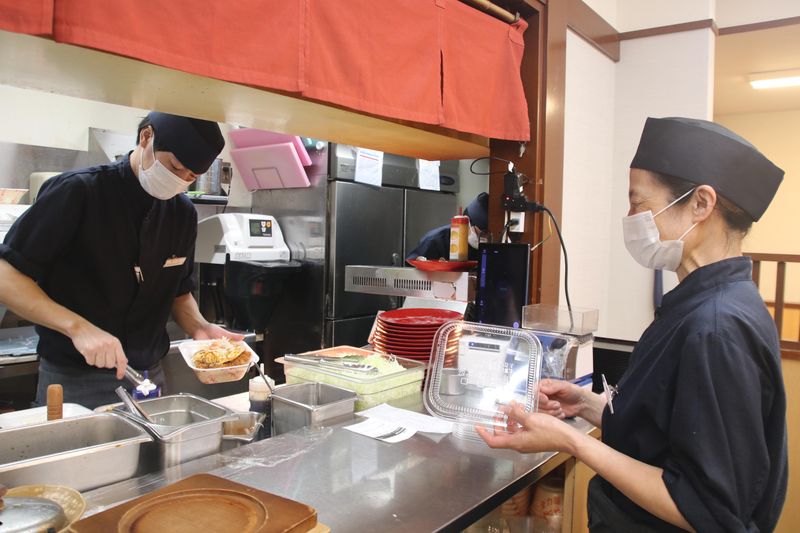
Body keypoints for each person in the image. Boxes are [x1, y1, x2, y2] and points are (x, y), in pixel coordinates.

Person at [477, 117, 788, 532]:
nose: (630, 217)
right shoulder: (701, 303)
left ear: (701, 204)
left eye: (638, 203)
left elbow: (708, 510)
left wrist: (569, 440)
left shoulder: (717, 328)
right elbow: (669, 435)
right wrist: (586, 405)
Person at [0, 111, 243, 409]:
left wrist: (200, 327)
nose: (179, 181)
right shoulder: (79, 191)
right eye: (174, 167)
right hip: (76, 380)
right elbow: (6, 275)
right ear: (146, 137)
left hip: (149, 376)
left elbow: (179, 292)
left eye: (190, 177)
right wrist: (78, 328)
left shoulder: (182, 213)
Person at [406, 191, 489, 262]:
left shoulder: (489, 247)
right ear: (467, 223)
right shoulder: (435, 241)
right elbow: (410, 271)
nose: (487, 238)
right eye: (483, 233)